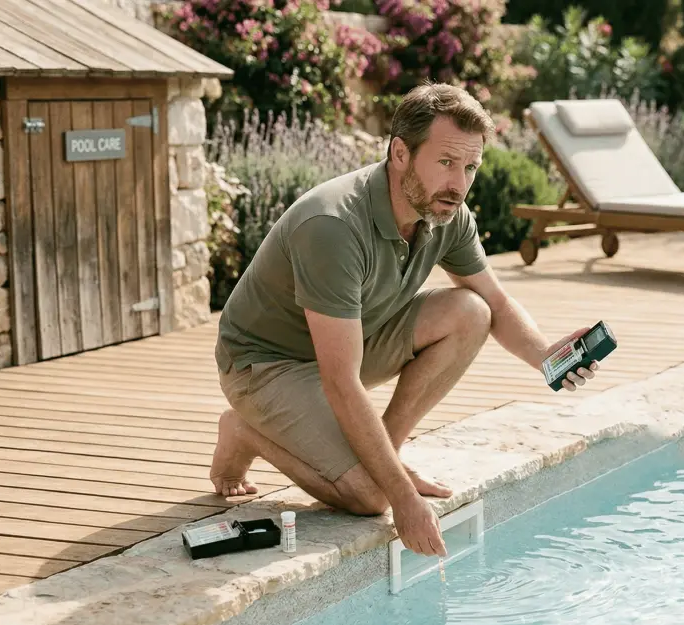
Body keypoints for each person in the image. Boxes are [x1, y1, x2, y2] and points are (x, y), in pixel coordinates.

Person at [207, 83, 600, 557]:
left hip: (354, 340)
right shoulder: (332, 227)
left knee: (470, 311)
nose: (459, 182)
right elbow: (341, 381)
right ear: (399, 152)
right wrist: (401, 496)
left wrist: (547, 355)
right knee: (371, 497)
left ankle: (382, 457)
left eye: (470, 167)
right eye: (446, 162)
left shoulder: (446, 210)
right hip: (266, 364)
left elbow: (493, 301)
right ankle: (245, 429)